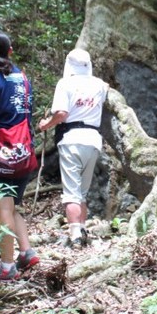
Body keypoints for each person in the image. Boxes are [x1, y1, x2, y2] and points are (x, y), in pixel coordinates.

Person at [0, 29, 39, 281]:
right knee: (11, 205)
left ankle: (6, 266)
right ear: (10, 51)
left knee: (3, 205)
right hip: (24, 150)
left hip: (2, 153)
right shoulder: (23, 79)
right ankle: (26, 252)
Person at [37, 49, 109, 248]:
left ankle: (75, 235)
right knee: (82, 192)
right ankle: (83, 228)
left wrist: (46, 124)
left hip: (71, 139)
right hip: (93, 140)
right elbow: (106, 90)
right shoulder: (99, 85)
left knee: (71, 192)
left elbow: (61, 113)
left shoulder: (65, 83)